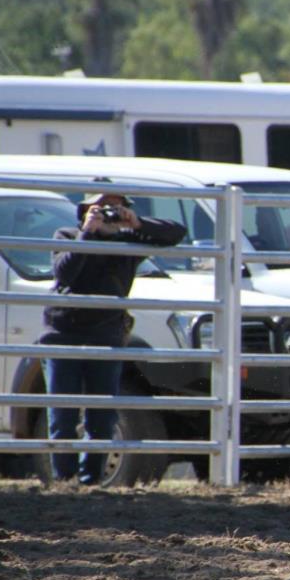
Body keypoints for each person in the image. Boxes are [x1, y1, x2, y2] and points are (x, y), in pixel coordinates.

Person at [41, 189, 186, 485]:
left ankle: (91, 481)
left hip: (106, 334)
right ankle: (64, 481)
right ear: (85, 211)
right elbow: (64, 273)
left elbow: (176, 233)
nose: (109, 213)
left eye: (116, 208)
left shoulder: (128, 240)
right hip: (63, 333)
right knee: (62, 415)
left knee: (102, 417)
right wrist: (88, 234)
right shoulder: (68, 235)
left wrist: (137, 223)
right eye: (102, 207)